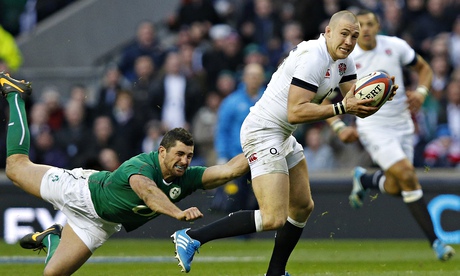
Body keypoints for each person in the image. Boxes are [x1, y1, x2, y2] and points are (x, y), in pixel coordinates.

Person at [171, 10, 390, 275]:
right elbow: (296, 111)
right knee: (273, 216)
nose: (349, 41)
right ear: (328, 32)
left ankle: (275, 272)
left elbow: (354, 101)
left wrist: (380, 96)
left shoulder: (344, 61)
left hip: (282, 133)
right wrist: (343, 107)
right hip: (263, 131)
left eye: (354, 36)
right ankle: (192, 236)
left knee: (302, 207)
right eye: (344, 34)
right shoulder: (314, 58)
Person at [0, 71, 249, 275]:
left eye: (189, 156)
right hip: (80, 192)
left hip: (99, 224)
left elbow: (228, 170)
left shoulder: (187, 177)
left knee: (52, 275)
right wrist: (178, 213)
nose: (184, 161)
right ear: (162, 151)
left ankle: (53, 239)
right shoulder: (141, 166)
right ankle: (15, 94)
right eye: (179, 154)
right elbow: (149, 193)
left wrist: (266, 147)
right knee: (16, 167)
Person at [348, 10, 455, 261]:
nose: (365, 29)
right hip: (372, 126)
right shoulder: (349, 58)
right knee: (408, 175)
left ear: (378, 26)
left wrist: (420, 91)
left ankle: (365, 180)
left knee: (397, 186)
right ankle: (437, 243)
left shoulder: (395, 46)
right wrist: (340, 124)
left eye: (370, 24)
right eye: (360, 24)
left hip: (402, 124)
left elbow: (424, 68)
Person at [211, 63, 265, 213]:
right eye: (251, 76)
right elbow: (222, 130)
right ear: (244, 78)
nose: (254, 79)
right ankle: (241, 234)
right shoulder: (231, 102)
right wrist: (222, 155)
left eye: (257, 76)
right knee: (238, 197)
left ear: (262, 79)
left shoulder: (268, 99)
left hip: (263, 157)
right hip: (238, 157)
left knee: (262, 197)